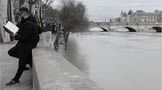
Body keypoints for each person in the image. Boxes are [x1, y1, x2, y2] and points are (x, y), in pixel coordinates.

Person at [6, 7, 39, 86]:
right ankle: (26, 61)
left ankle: (16, 79)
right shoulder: (25, 21)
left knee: (21, 62)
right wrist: (13, 29)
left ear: (23, 13)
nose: (19, 16)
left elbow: (25, 38)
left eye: (20, 14)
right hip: (24, 43)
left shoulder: (29, 23)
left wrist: (15, 35)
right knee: (11, 52)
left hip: (28, 44)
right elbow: (21, 30)